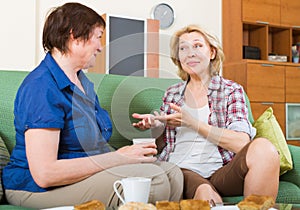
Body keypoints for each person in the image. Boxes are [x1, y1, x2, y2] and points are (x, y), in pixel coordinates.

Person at [2, 3, 183, 209]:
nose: (100, 46)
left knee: (173, 174)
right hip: (35, 188)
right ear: (74, 36)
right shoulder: (41, 87)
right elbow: (45, 174)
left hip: (82, 177)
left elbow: (95, 147)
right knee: (153, 180)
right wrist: (118, 158)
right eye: (98, 37)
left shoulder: (83, 83)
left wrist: (136, 150)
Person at [132, 24, 280, 203]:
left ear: (212, 52)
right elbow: (163, 142)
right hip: (182, 170)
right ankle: (206, 192)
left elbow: (241, 142)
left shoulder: (231, 90)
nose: (190, 53)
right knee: (205, 194)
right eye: (183, 48)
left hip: (221, 171)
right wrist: (155, 125)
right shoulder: (172, 93)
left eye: (197, 46)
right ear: (178, 57)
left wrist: (192, 122)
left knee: (265, 149)